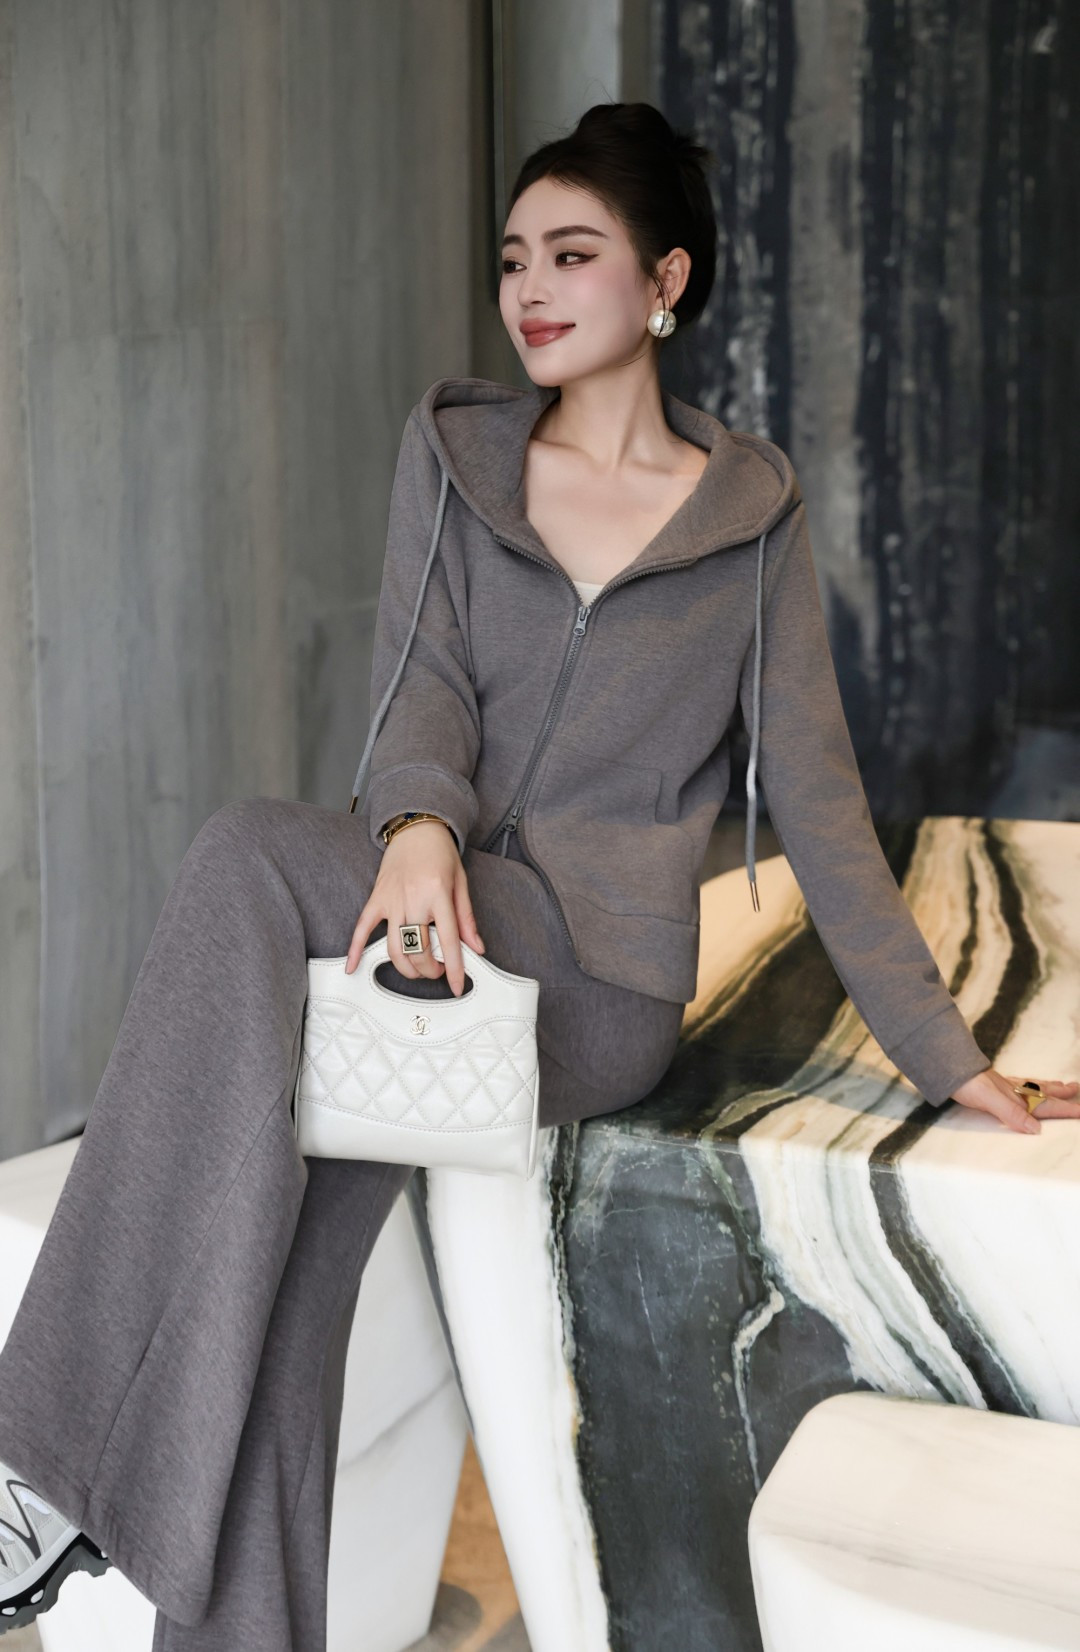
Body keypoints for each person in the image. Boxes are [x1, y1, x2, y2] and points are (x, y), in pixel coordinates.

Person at [0, 99, 1075, 1649]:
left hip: (589, 984)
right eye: (515, 258)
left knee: (245, 852)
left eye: (575, 254)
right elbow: (420, 689)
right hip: (423, 932)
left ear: (666, 282)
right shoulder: (455, 459)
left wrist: (946, 1056)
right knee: (281, 1284)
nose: (532, 289)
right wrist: (420, 822)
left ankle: (41, 1467)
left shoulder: (749, 524)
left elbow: (824, 806)